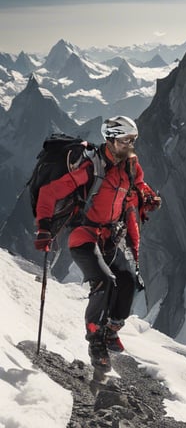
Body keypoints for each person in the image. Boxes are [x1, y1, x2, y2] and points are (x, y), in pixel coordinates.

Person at [33, 115, 161, 375]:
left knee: (127, 280)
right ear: (112, 139)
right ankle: (96, 341)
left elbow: (137, 186)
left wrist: (147, 196)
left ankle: (111, 330)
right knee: (104, 280)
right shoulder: (92, 167)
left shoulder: (131, 166)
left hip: (109, 237)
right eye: (126, 140)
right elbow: (50, 192)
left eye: (133, 140)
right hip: (84, 235)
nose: (130, 145)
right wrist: (44, 229)